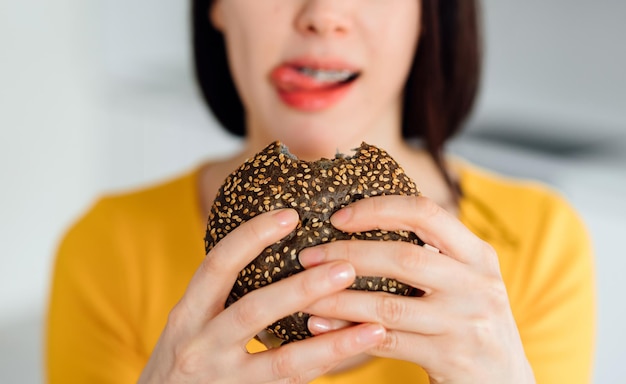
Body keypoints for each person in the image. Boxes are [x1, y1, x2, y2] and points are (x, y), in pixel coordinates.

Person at [46, 0, 595, 383]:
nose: (323, 15)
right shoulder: (108, 248)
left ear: (427, 12)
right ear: (216, 4)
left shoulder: (538, 244)